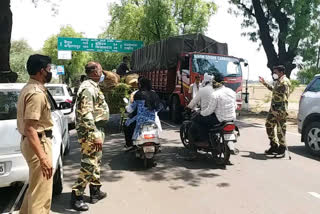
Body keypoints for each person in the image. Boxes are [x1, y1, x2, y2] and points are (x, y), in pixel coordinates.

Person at [17, 54, 54, 214]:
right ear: (41, 71)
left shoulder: (28, 88)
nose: (50, 72)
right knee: (41, 197)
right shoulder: (36, 93)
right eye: (49, 69)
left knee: (35, 190)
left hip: (33, 143)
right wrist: (43, 158)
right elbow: (31, 128)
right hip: (38, 144)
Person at [71, 61, 110, 211]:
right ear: (94, 72)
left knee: (96, 161)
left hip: (95, 129)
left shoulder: (94, 86)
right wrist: (94, 134)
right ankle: (76, 195)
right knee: (89, 163)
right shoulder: (87, 88)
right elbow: (86, 113)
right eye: (101, 70)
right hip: (90, 131)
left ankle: (95, 192)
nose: (103, 72)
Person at [189, 72, 237, 147]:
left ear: (215, 82)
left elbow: (209, 111)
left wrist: (200, 114)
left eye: (213, 82)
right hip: (232, 118)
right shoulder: (232, 92)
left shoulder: (215, 94)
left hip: (219, 119)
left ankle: (204, 141)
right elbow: (235, 106)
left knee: (197, 119)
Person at [259, 65, 291, 155]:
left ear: (281, 72)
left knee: (280, 129)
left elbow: (284, 98)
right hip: (273, 109)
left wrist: (280, 112)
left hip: (280, 109)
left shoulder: (285, 82)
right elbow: (274, 90)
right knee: (268, 125)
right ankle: (274, 145)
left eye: (275, 72)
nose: (274, 74)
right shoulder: (278, 81)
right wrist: (264, 83)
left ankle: (282, 148)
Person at [124, 77, 162, 147]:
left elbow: (131, 109)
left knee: (126, 124)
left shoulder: (138, 94)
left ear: (141, 85)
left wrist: (126, 108)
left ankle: (129, 144)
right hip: (152, 119)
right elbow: (159, 107)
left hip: (140, 120)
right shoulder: (154, 94)